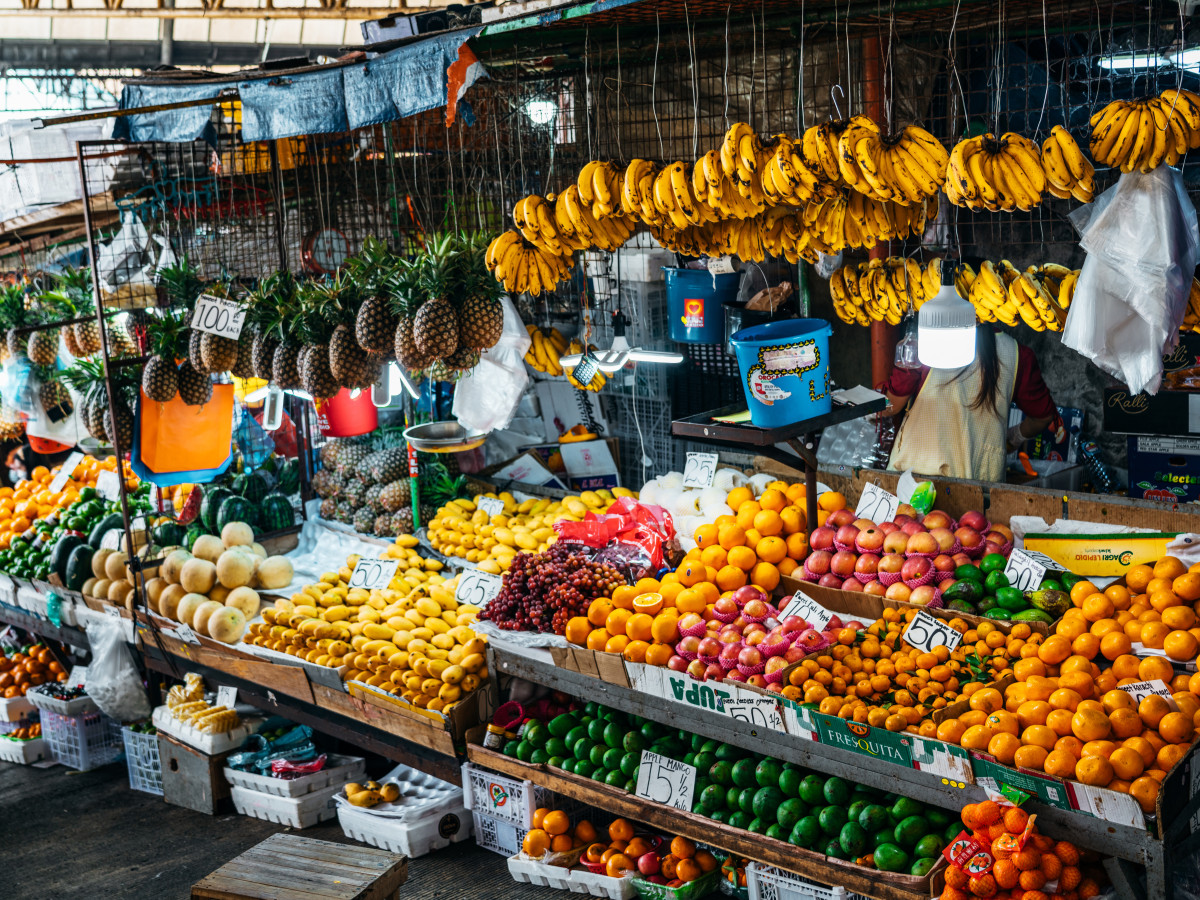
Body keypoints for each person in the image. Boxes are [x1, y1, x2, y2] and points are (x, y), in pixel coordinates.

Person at [883, 327, 1064, 482]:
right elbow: (1043, 417)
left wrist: (869, 406)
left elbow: (892, 405)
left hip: (916, 479)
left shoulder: (923, 343)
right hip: (982, 484)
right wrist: (1013, 437)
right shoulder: (1017, 353)